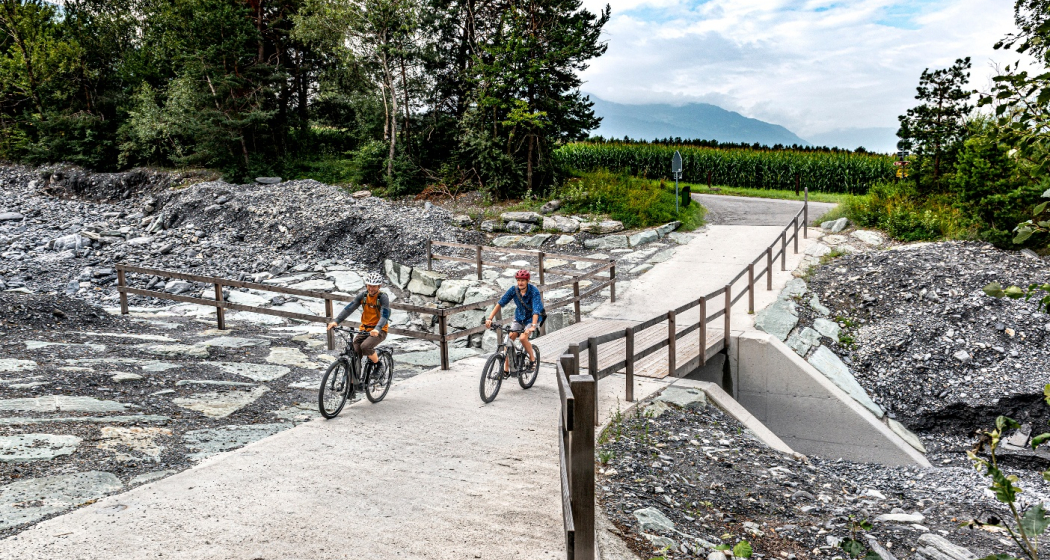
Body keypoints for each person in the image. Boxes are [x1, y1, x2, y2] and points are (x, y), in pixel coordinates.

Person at [327, 272, 390, 375]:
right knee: (355, 351)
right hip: (365, 329)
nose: (371, 289)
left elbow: (385, 315)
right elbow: (349, 309)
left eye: (374, 286)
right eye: (369, 285)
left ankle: (378, 365)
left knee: (365, 346)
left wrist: (377, 329)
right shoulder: (363, 296)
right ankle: (354, 381)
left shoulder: (382, 298)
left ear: (379, 286)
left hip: (379, 330)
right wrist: (336, 321)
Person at [485, 269, 543, 371]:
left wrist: (533, 326)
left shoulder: (534, 291)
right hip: (519, 317)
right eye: (518, 280)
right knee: (509, 340)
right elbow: (500, 303)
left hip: (532, 319)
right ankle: (506, 369)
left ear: (527, 280)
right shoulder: (514, 290)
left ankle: (533, 360)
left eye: (523, 280)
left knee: (522, 338)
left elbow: (536, 310)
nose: (520, 282)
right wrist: (490, 318)